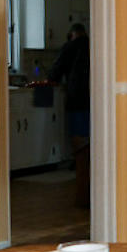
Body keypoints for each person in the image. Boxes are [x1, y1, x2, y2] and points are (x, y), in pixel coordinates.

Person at [50, 23, 90, 206]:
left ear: (71, 34)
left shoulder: (69, 47)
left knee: (80, 150)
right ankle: (92, 196)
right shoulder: (94, 44)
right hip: (96, 102)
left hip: (76, 101)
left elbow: (54, 74)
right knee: (93, 149)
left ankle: (82, 196)